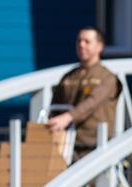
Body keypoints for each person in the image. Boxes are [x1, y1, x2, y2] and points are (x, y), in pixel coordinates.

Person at [48, 26, 120, 158]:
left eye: (87, 41)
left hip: (94, 146)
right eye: (79, 41)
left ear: (99, 46)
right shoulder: (69, 77)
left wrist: (68, 117)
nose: (81, 45)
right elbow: (54, 107)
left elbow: (92, 102)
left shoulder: (106, 77)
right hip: (67, 144)